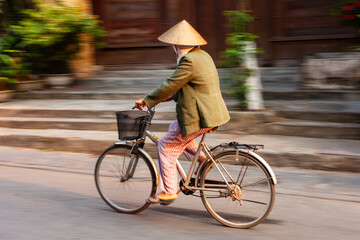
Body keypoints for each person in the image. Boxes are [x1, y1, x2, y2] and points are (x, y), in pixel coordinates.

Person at [135, 20, 230, 204]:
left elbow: (170, 84)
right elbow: (187, 87)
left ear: (177, 45)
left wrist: (147, 100)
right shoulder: (203, 56)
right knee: (176, 129)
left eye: (174, 45)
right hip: (211, 112)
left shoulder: (188, 60)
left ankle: (169, 191)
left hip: (201, 115)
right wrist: (167, 97)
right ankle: (202, 159)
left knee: (166, 146)